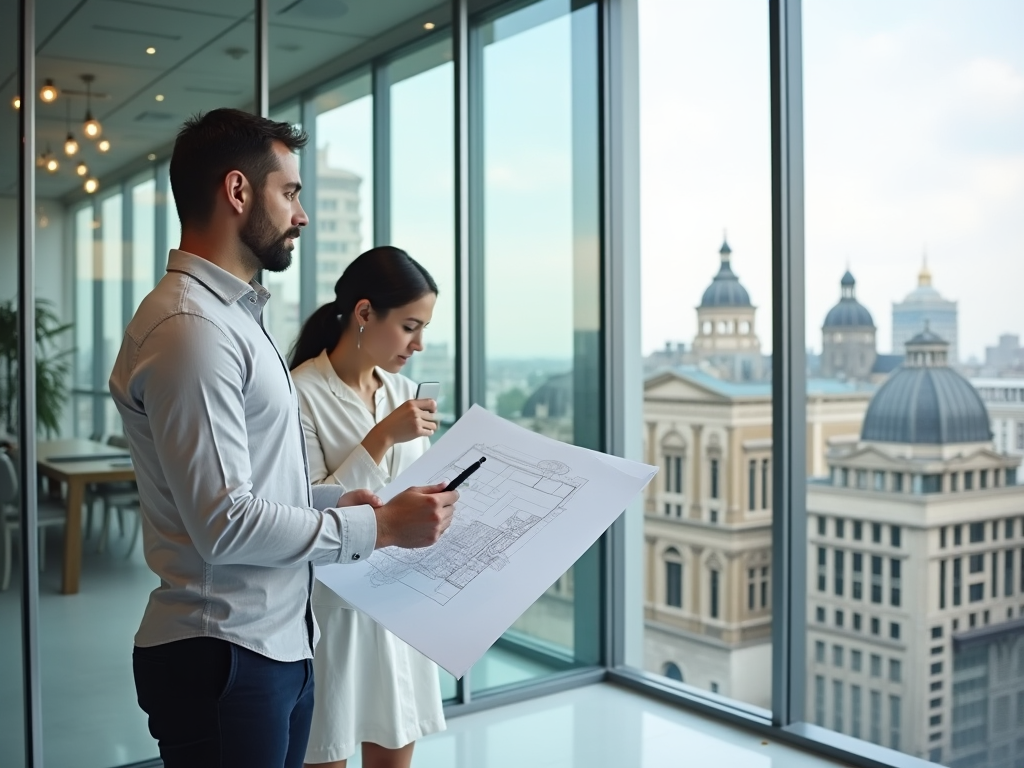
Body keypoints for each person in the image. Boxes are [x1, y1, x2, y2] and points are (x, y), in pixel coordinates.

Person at [108, 109, 457, 768]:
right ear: (239, 193)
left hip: (271, 645)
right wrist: (378, 531)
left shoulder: (230, 320)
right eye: (290, 193)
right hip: (225, 654)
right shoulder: (192, 331)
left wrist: (341, 506)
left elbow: (264, 491)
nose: (300, 214)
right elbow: (225, 525)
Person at [289, 247, 444, 768]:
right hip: (332, 613)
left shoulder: (401, 391)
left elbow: (413, 490)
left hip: (400, 606)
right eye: (409, 326)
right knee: (326, 750)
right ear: (363, 313)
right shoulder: (300, 392)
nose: (419, 344)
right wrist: (381, 437)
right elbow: (305, 506)